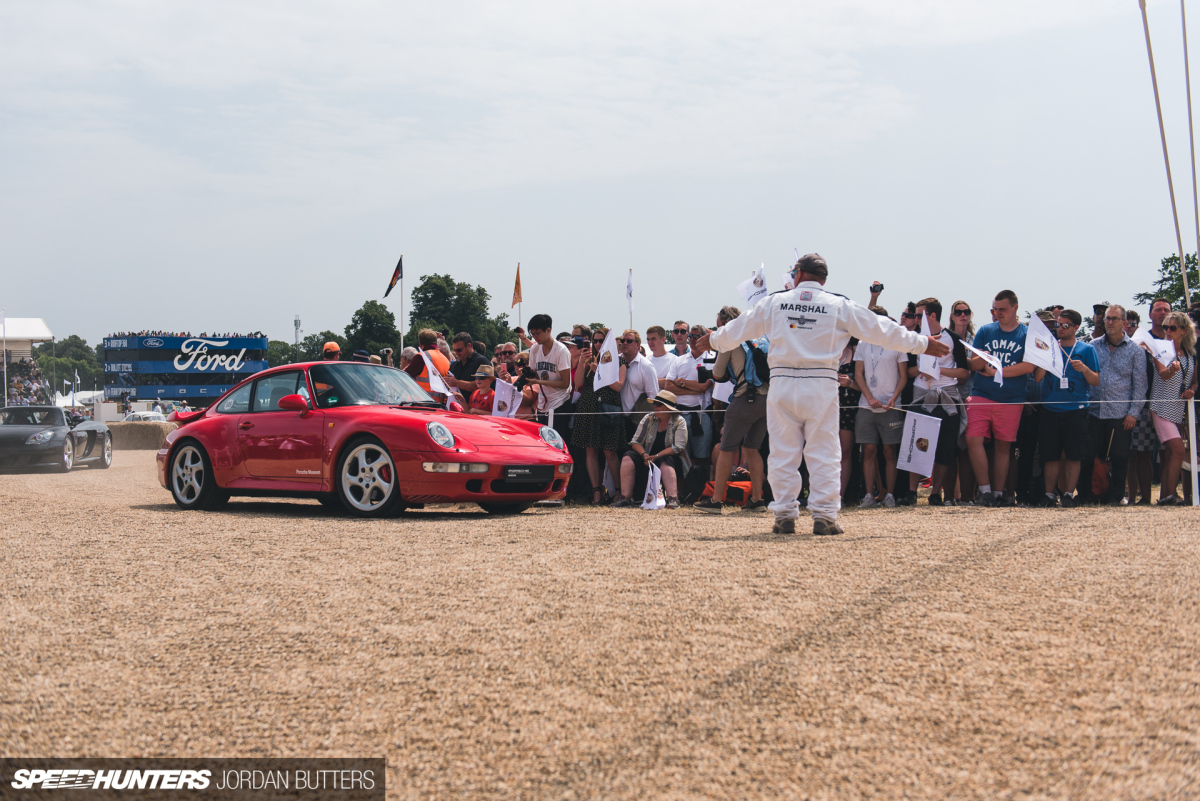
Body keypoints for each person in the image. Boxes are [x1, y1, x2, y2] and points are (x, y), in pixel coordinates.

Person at [694, 253, 947, 535]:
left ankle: (785, 514)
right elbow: (880, 329)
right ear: (824, 280)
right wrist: (921, 343)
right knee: (824, 452)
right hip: (821, 383)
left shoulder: (775, 302)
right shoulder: (838, 304)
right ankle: (825, 516)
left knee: (783, 453)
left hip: (783, 383)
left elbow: (739, 328)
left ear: (798, 274)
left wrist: (713, 339)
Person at [694, 307, 769, 514]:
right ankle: (757, 499)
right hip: (766, 399)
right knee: (753, 448)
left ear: (725, 323)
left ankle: (716, 500)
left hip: (745, 397)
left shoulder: (728, 339)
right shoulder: (759, 338)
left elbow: (718, 373)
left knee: (726, 447)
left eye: (719, 325)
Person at [965, 290, 1036, 507]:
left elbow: (1028, 366)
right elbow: (973, 363)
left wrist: (997, 371)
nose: (998, 313)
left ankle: (997, 493)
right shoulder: (986, 331)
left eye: (1003, 309)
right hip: (982, 394)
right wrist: (979, 360)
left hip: (1012, 398)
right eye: (995, 309)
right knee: (972, 438)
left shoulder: (1026, 334)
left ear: (1015, 307)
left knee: (1004, 447)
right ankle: (985, 491)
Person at [1032, 309, 1100, 507]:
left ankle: (1069, 494)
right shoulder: (1049, 347)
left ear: (1076, 327)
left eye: (1065, 325)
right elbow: (1037, 378)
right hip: (1050, 409)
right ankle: (1049, 494)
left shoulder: (1087, 350)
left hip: (1076, 409)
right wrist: (1045, 359)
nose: (1060, 329)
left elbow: (1095, 381)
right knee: (1050, 455)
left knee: (1074, 454)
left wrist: (1084, 369)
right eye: (1058, 325)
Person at [1082, 304, 1146, 505]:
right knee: (1090, 455)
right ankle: (1088, 494)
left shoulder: (1136, 351)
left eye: (1114, 319)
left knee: (1119, 457)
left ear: (1125, 323)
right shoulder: (1092, 346)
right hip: (1093, 410)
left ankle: (1116, 496)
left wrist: (1133, 413)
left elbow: (1140, 385)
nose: (1109, 322)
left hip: (1120, 413)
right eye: (1107, 318)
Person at [909, 298, 970, 506]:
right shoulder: (914, 339)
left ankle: (936, 493)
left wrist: (938, 370)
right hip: (920, 396)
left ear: (931, 315)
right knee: (917, 444)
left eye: (919, 315)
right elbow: (908, 371)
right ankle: (910, 493)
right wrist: (922, 368)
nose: (915, 319)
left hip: (946, 396)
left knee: (945, 446)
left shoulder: (952, 338)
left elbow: (964, 373)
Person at [853, 306, 908, 508]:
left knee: (889, 451)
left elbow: (904, 376)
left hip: (890, 406)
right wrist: (868, 397)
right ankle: (869, 495)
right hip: (866, 407)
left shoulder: (897, 343)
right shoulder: (862, 343)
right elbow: (858, 374)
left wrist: (894, 398)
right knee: (867, 450)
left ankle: (890, 495)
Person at [1147, 311, 1198, 505]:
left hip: (1180, 410)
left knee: (1170, 454)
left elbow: (1194, 383)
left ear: (1184, 331)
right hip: (1161, 408)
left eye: (1172, 328)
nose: (1167, 331)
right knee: (1177, 450)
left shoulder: (1191, 355)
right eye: (1165, 327)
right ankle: (1169, 496)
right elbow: (1163, 374)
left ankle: (1166, 496)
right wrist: (1171, 369)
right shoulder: (1159, 350)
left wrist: (1191, 391)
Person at [571, 327, 626, 504]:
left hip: (608, 407)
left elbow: (618, 386)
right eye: (595, 340)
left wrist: (599, 372)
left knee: (610, 451)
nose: (597, 344)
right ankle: (596, 491)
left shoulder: (619, 361)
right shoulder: (588, 360)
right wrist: (581, 361)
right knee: (590, 450)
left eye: (601, 340)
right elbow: (578, 383)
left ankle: (618, 491)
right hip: (588, 406)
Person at [612, 390, 689, 510]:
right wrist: (644, 455)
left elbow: (678, 447)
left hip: (671, 461)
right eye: (655, 404)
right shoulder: (648, 418)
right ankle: (625, 498)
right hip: (647, 458)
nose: (654, 407)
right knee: (628, 457)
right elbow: (635, 442)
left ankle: (673, 499)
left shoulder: (679, 421)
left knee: (666, 461)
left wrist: (656, 456)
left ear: (668, 408)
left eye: (658, 404)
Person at [1129, 298, 1172, 503]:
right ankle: (1145, 498)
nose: (1162, 312)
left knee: (1168, 453)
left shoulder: (1177, 341)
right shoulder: (1140, 341)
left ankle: (1168, 494)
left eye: (1166, 309)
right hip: (1145, 403)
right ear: (1150, 315)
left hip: (1169, 404)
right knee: (1142, 452)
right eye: (1158, 309)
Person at [669, 325, 716, 466]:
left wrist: (681, 382)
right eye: (690, 336)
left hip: (701, 414)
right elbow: (668, 386)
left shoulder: (712, 358)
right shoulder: (679, 360)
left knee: (702, 459)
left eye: (696, 336)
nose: (692, 339)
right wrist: (693, 389)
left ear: (703, 338)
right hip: (680, 414)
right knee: (682, 458)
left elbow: (704, 386)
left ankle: (701, 488)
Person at [524, 314, 573, 439]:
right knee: (542, 441)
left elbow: (565, 383)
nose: (535, 337)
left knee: (556, 441)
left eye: (538, 333)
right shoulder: (535, 349)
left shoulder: (561, 351)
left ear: (548, 330)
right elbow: (533, 372)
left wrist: (538, 381)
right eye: (532, 334)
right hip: (543, 403)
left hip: (559, 402)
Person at [614, 329, 659, 440]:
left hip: (637, 421)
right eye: (623, 340)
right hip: (615, 418)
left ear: (637, 345)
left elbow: (653, 396)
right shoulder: (615, 361)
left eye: (629, 341)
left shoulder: (646, 366)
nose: (624, 343)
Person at [403, 328, 452, 399]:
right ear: (436, 342)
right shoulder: (445, 359)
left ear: (420, 343)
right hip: (440, 405)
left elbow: (404, 376)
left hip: (421, 403)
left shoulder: (421, 357)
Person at [447, 333, 490, 400]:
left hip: (475, 407)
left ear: (469, 346)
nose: (456, 353)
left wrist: (457, 383)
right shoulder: (454, 365)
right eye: (454, 350)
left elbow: (483, 386)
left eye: (459, 350)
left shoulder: (481, 362)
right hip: (455, 405)